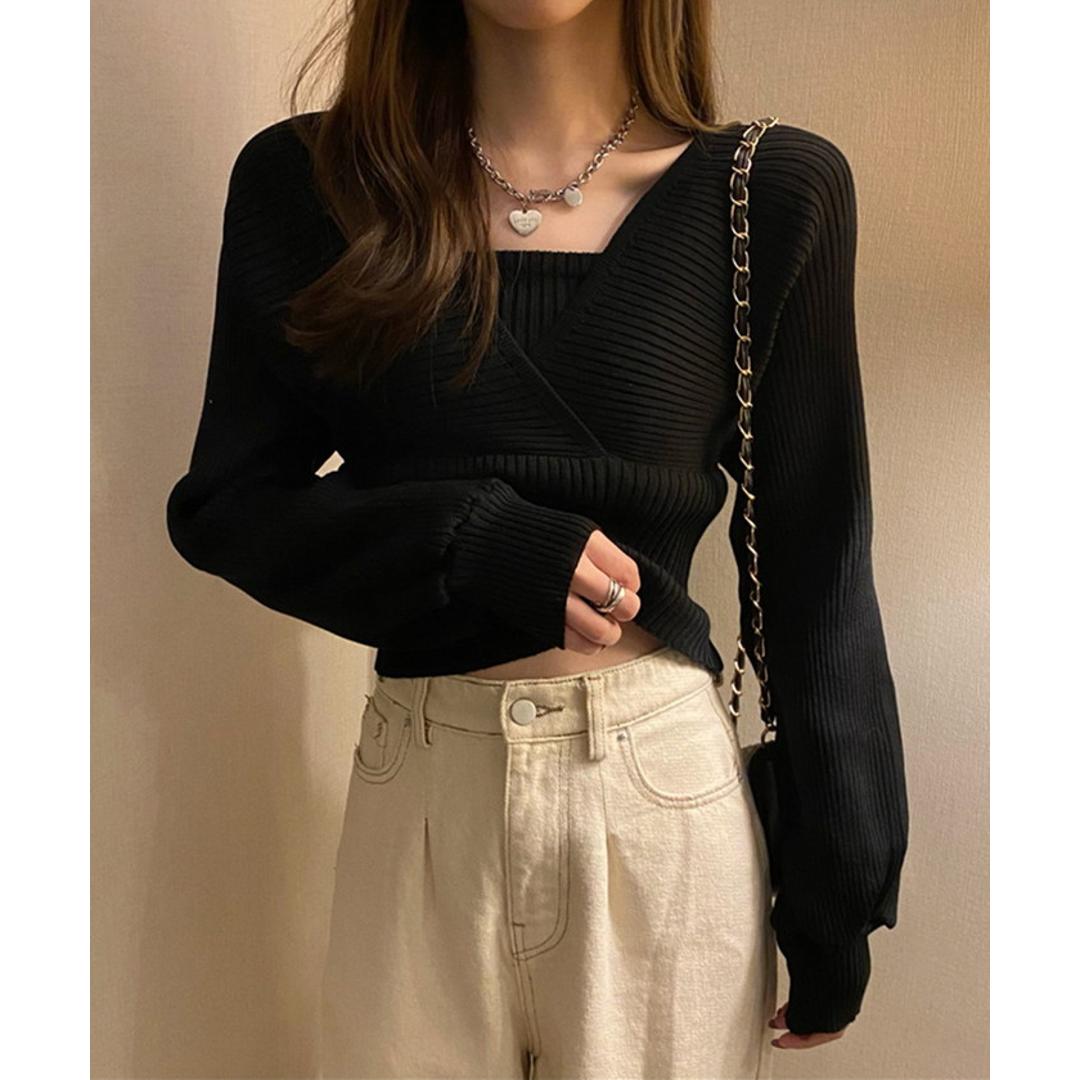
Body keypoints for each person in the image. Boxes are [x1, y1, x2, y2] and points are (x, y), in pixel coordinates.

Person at [165, 1, 910, 1077]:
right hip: (421, 802)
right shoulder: (313, 184)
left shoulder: (766, 192)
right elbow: (228, 506)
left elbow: (817, 561)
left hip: (658, 805)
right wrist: (467, 540)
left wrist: (838, 885)